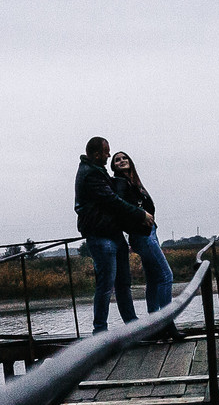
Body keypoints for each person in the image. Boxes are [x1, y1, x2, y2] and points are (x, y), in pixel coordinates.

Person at [73, 136, 150, 330]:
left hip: (113, 234)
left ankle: (132, 326)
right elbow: (111, 201)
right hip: (100, 235)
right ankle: (100, 330)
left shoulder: (98, 171)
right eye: (106, 152)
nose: (109, 155)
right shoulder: (90, 174)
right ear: (97, 153)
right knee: (106, 286)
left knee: (123, 283)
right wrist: (140, 214)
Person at [109, 150, 174, 314]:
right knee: (166, 276)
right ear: (113, 166)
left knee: (153, 279)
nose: (122, 161)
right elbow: (121, 209)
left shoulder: (134, 182)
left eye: (124, 158)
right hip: (142, 235)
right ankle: (166, 322)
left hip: (149, 232)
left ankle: (154, 321)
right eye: (117, 160)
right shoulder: (119, 183)